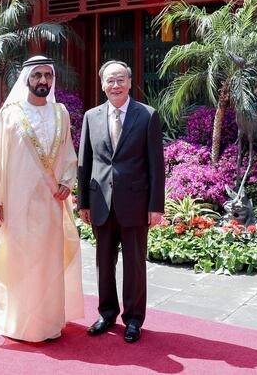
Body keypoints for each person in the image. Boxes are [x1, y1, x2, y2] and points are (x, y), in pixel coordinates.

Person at [0, 55, 84, 343]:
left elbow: (68, 152)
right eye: (37, 75)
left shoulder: (60, 112)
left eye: (48, 76)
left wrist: (67, 181)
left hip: (51, 201)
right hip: (17, 200)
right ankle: (19, 324)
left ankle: (48, 323)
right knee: (20, 259)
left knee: (48, 260)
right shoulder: (11, 113)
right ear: (26, 78)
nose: (43, 80)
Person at [77, 60, 165, 343]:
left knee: (135, 264)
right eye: (109, 81)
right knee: (103, 262)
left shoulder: (147, 115)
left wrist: (156, 206)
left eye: (120, 80)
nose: (115, 86)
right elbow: (84, 162)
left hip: (136, 203)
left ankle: (134, 319)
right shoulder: (91, 116)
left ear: (129, 82)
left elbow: (156, 164)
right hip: (100, 201)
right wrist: (83, 203)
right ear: (102, 84)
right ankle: (106, 313)